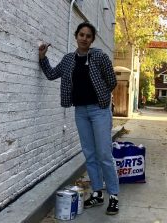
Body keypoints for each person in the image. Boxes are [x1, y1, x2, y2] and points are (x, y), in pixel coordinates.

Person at [38, 22, 119, 215]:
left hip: (99, 111)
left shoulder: (99, 56)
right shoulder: (68, 60)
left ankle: (114, 196)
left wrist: (102, 97)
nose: (84, 38)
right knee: (89, 154)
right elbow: (51, 74)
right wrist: (42, 58)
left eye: (88, 36)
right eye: (81, 35)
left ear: (92, 40)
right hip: (80, 111)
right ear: (76, 36)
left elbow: (112, 81)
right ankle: (98, 193)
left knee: (104, 154)